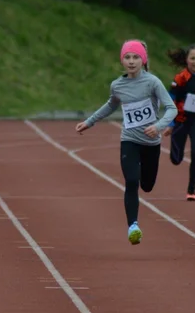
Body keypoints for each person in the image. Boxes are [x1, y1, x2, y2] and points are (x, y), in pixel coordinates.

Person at [75, 39, 177, 245]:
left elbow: (172, 108)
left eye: (135, 57)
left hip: (151, 143)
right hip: (129, 140)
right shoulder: (117, 85)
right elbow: (110, 106)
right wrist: (89, 122)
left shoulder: (152, 82)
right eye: (127, 57)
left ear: (143, 60)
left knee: (146, 186)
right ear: (122, 61)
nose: (131, 61)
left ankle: (136, 215)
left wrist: (157, 126)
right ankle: (133, 226)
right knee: (131, 181)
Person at [164, 43, 195, 201]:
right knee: (176, 159)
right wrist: (171, 124)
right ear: (187, 60)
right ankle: (175, 149)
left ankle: (191, 190)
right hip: (181, 120)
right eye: (192, 58)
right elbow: (170, 98)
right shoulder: (180, 78)